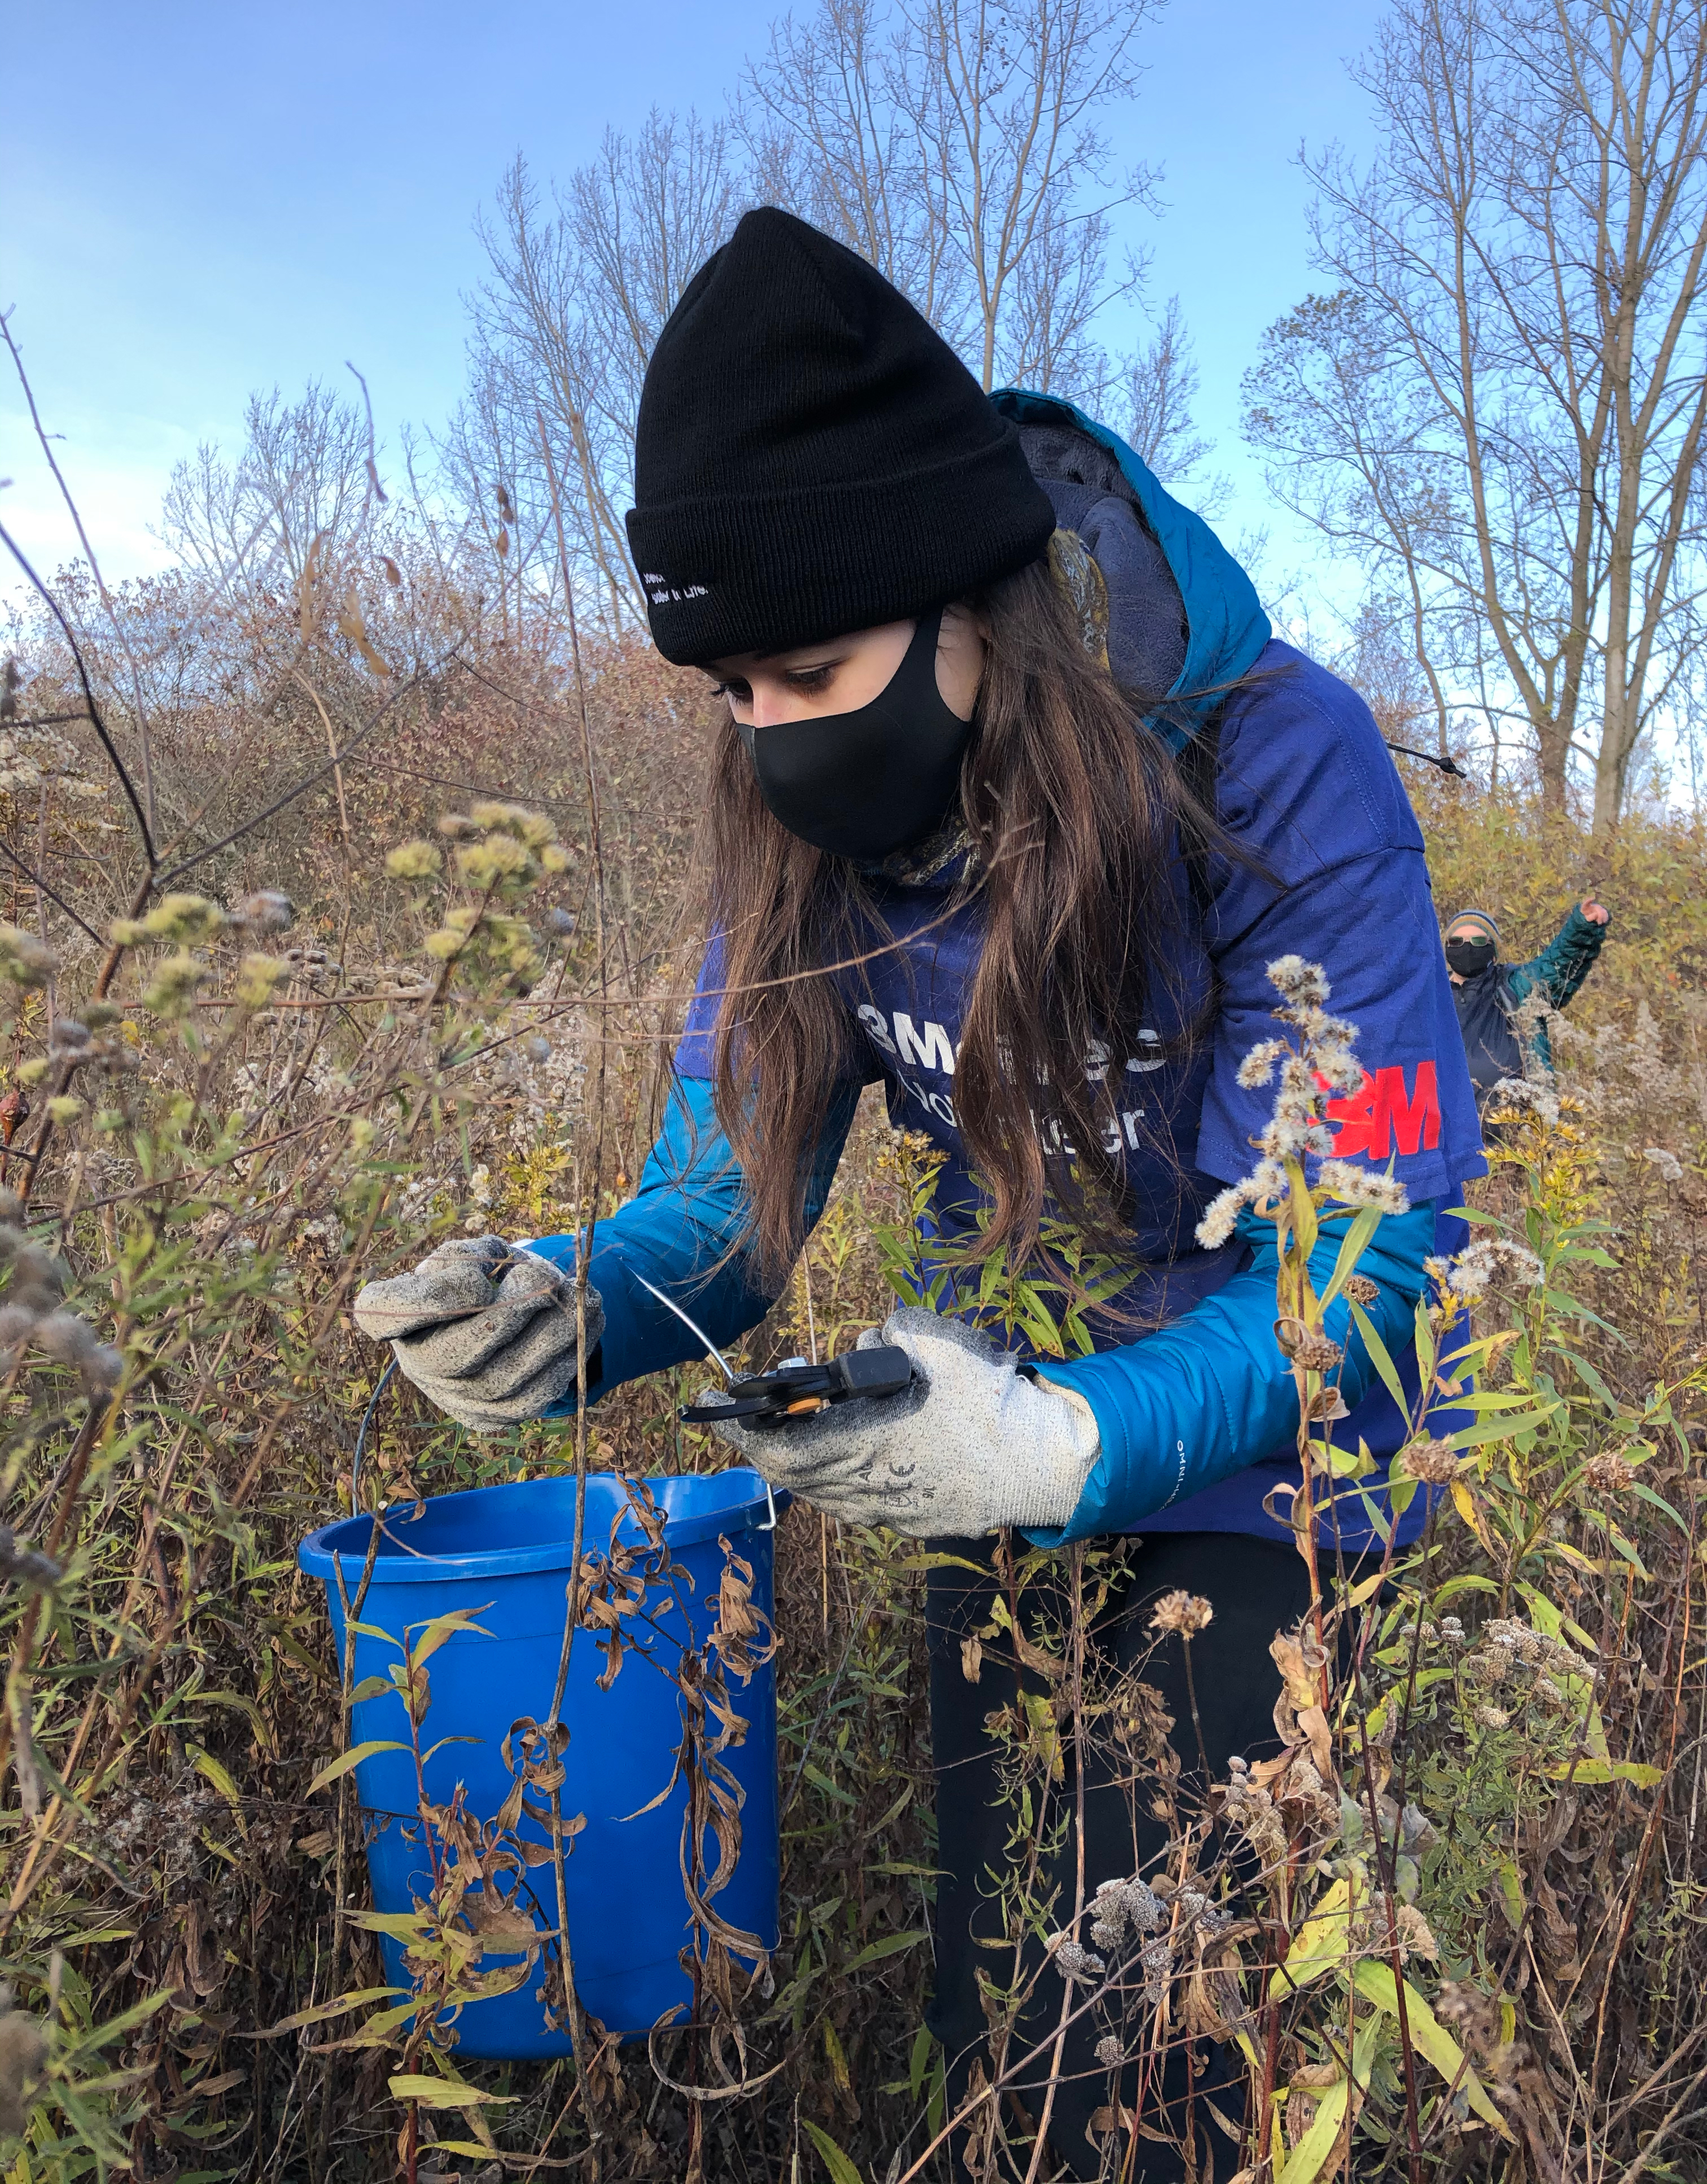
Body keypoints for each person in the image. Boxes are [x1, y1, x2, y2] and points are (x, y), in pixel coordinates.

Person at [354, 209, 1486, 2178]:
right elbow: (720, 1201)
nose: (775, 742)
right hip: (978, 1446)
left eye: (812, 670)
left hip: (1262, 1479)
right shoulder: (802, 839)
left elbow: (1367, 1252)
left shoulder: (1268, 759)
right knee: (992, 1998)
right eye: (728, 692)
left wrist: (1064, 1439)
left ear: (975, 604)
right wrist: (580, 1305)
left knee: (1145, 2045)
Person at [1443, 901, 1609, 1107]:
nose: (1467, 947)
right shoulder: (1431, 994)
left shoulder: (1516, 986)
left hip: (1514, 1129)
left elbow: (1557, 966)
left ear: (1493, 952)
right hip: (1443, 1129)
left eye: (1478, 941)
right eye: (1456, 941)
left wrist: (1582, 928)